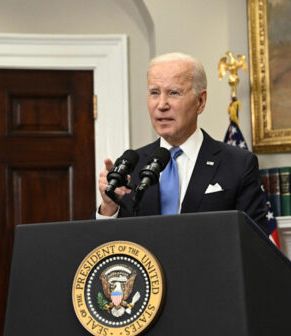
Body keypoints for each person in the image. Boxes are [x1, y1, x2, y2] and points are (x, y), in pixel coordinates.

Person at [95, 52, 268, 233]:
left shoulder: (238, 164)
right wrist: (109, 206)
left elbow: (255, 243)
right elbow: (107, 246)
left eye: (174, 93)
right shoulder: (131, 166)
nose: (161, 105)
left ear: (200, 101)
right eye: (154, 93)